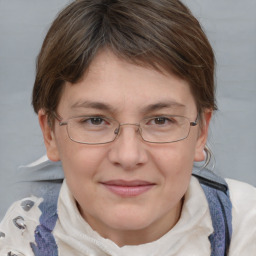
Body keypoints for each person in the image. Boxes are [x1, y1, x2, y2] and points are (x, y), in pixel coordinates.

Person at [0, 0, 255, 255]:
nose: (128, 156)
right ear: (50, 134)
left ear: (201, 132)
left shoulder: (246, 224)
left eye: (160, 120)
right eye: (95, 120)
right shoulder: (22, 235)